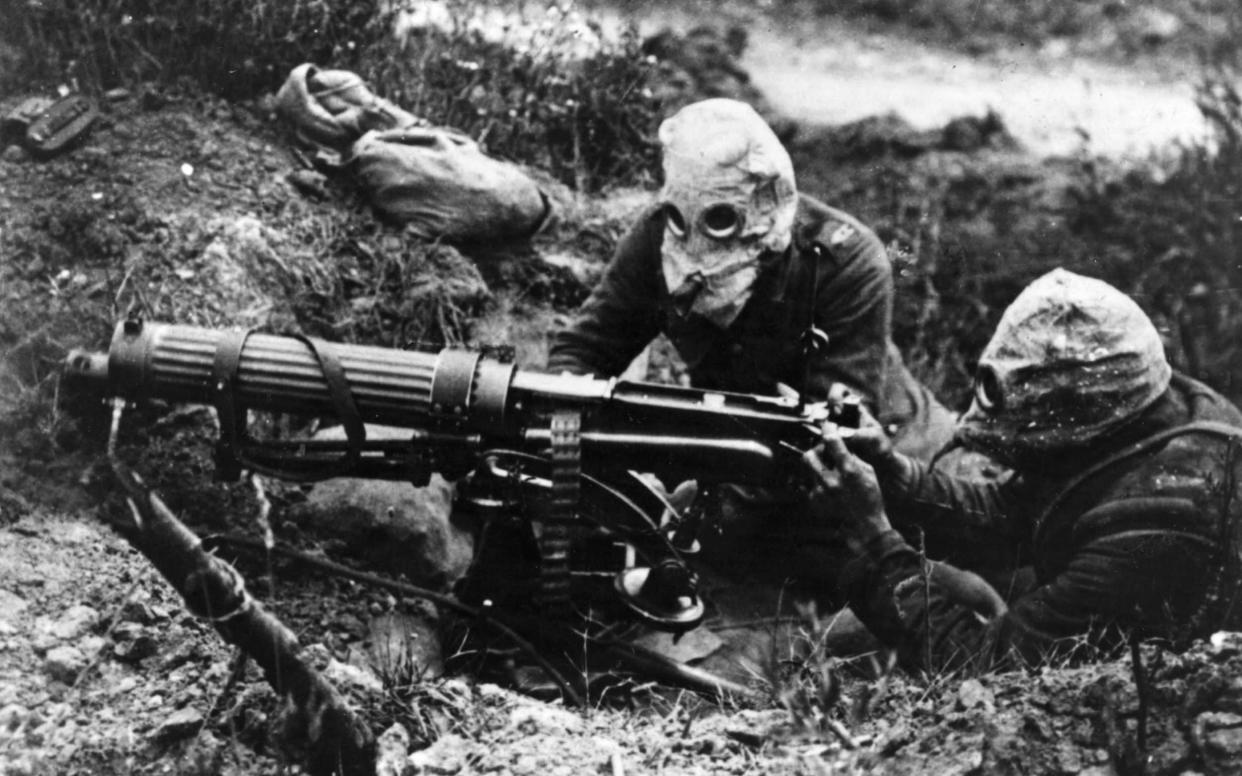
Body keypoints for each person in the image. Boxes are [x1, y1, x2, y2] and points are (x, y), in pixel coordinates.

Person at [547, 97, 955, 590]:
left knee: (905, 598)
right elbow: (585, 349)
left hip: (886, 460)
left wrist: (684, 509)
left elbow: (832, 443)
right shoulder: (659, 239)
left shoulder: (847, 262)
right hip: (742, 453)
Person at [804, 268, 1242, 672]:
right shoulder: (1142, 408)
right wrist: (897, 479)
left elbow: (984, 665)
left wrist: (875, 541)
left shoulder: (1161, 525)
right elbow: (1015, 514)